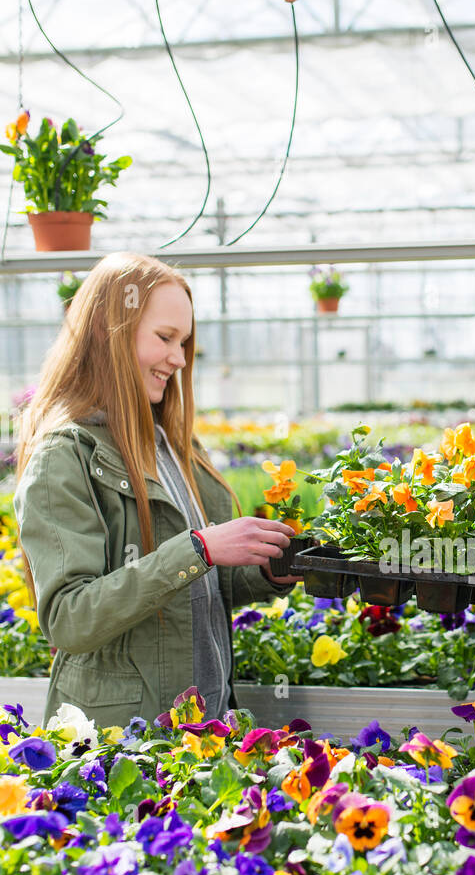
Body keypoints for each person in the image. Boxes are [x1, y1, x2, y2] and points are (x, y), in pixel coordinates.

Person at [14, 252, 302, 728]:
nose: (179, 357)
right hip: (121, 738)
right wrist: (198, 548)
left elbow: (195, 583)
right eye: (165, 338)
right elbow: (70, 617)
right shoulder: (66, 455)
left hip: (199, 729)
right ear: (110, 332)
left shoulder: (171, 444)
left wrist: (270, 569)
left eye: (184, 341)